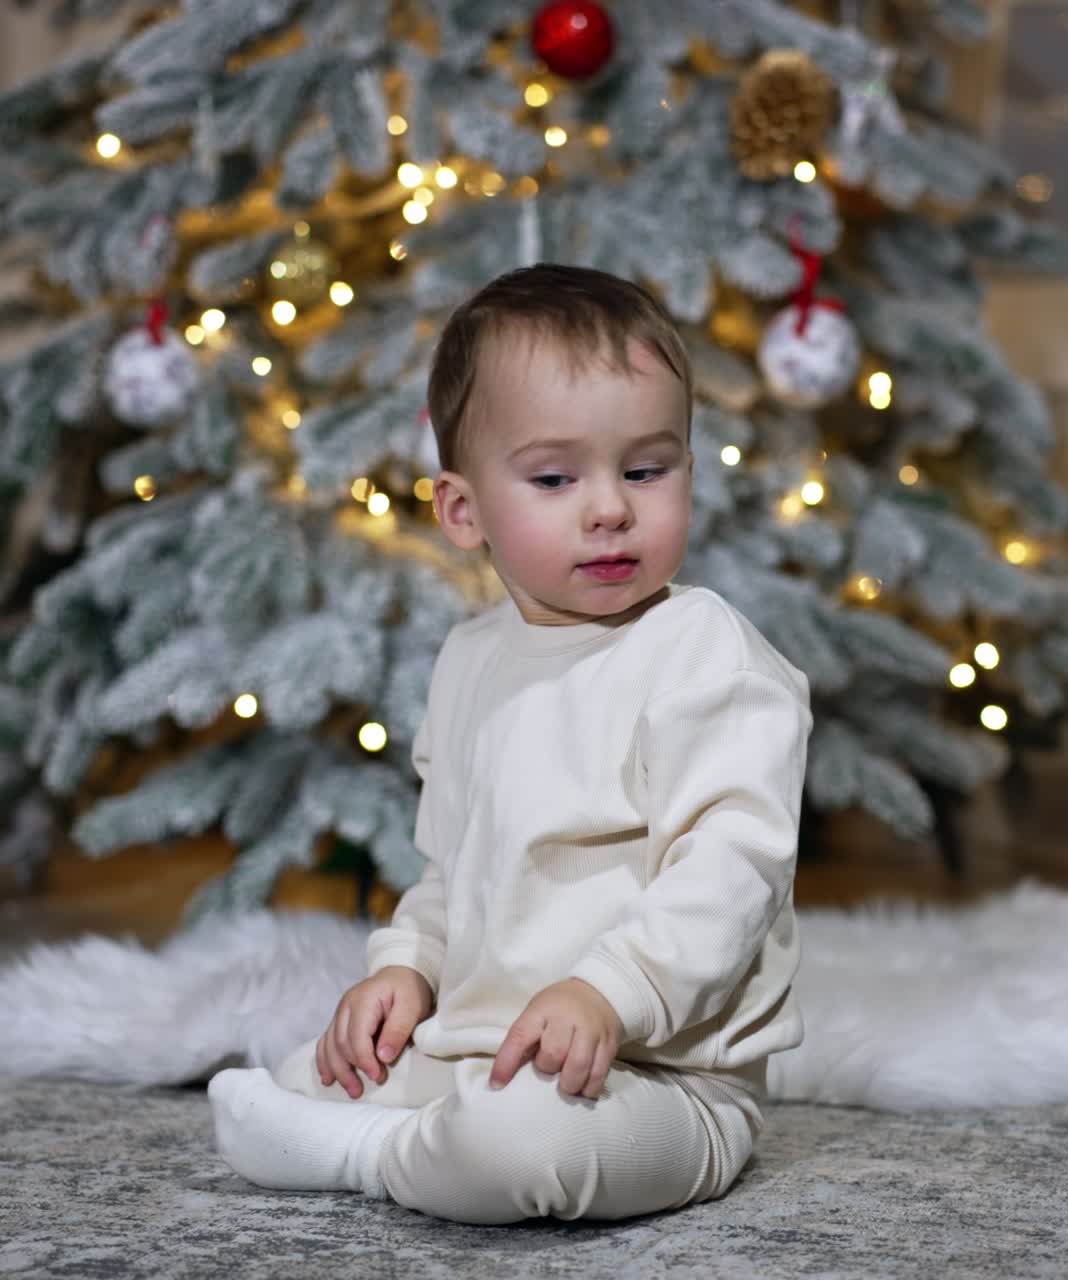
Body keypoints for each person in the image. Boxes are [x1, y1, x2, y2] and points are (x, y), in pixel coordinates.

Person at [208, 262, 813, 1225]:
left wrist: (611, 992)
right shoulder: (472, 661)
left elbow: (734, 871)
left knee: (526, 1143)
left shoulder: (706, 655)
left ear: (689, 472)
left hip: (660, 1077)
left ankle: (375, 1157)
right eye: (555, 478)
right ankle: (402, 1133)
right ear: (464, 511)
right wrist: (406, 968)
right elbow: (453, 868)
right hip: (480, 1046)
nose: (609, 507)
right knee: (312, 1074)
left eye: (646, 470)